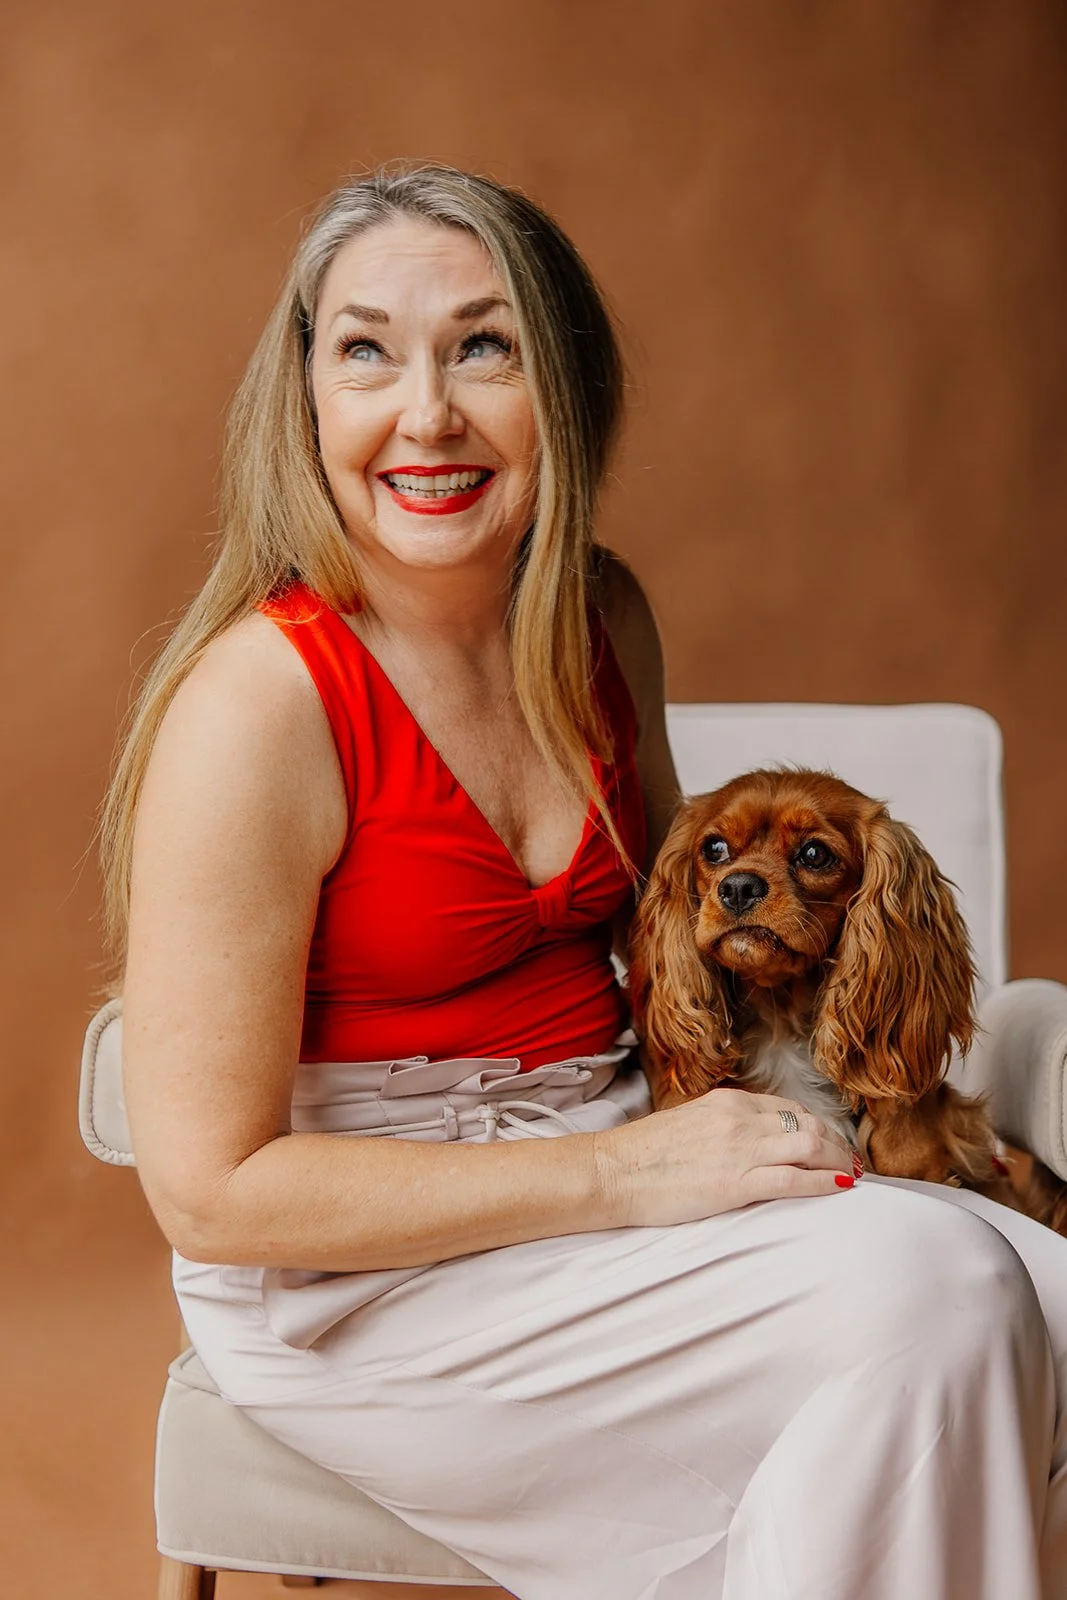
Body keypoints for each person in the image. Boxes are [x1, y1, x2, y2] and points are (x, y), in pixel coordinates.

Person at [102, 165, 1067, 1600]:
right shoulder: (256, 711)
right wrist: (623, 1173)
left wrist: (915, 1107)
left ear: (563, 385)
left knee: (1035, 1298)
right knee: (929, 1296)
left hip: (611, 1141)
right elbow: (216, 1196)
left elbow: (679, 942)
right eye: (364, 350)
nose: (423, 414)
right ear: (303, 398)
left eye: (482, 347)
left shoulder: (599, 617)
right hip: (358, 1282)